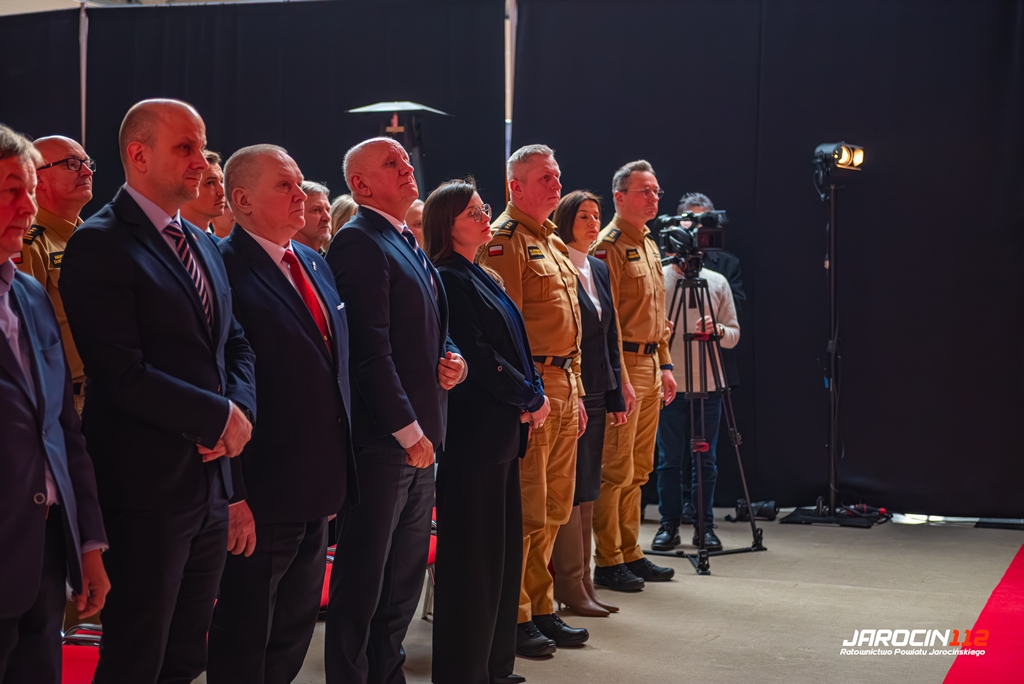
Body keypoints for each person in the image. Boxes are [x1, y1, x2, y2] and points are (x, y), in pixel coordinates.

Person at [59, 99, 257, 684]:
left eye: (202, 146)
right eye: (185, 148)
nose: (202, 161)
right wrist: (215, 417)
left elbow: (235, 344)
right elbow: (121, 372)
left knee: (186, 657)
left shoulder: (200, 242)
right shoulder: (100, 242)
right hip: (145, 490)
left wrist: (238, 411)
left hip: (208, 486)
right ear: (138, 155)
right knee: (136, 657)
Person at [208, 145, 356, 682]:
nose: (300, 195)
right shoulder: (221, 267)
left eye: (300, 183)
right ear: (243, 199)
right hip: (261, 489)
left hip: (318, 485)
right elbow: (221, 385)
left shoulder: (313, 262)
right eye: (284, 186)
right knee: (246, 633)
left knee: (294, 628)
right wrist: (234, 493)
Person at [324, 137, 466, 684]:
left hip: (422, 436)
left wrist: (452, 359)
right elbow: (369, 351)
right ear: (360, 185)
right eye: (392, 163)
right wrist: (408, 432)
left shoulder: (405, 238)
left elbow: (430, 329)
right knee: (365, 579)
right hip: (386, 441)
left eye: (406, 160)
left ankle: (388, 673)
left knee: (402, 580)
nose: (407, 168)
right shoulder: (359, 241)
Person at [423, 178, 547, 684]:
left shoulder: (482, 273)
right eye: (472, 213)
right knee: (472, 564)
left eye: (483, 209)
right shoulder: (449, 276)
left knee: (501, 557)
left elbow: (518, 343)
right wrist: (529, 397)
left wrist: (535, 390)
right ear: (447, 225)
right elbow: (479, 354)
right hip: (474, 436)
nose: (483, 218)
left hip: (501, 435)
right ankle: (464, 672)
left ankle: (495, 667)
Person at [0, 124, 109, 684]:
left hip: (42, 553)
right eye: (10, 193)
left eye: (28, 191)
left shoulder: (27, 293)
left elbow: (61, 428)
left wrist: (86, 544)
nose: (27, 207)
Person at [482, 144, 590, 657]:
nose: (556, 185)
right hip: (536, 388)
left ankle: (542, 606)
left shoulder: (550, 240)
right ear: (515, 186)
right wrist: (527, 395)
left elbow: (574, 329)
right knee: (528, 510)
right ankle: (517, 614)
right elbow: (508, 332)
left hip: (565, 383)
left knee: (555, 507)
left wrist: (579, 391)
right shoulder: (504, 240)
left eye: (557, 176)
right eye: (545, 177)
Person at [590, 160, 677, 592]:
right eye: (645, 191)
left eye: (656, 191)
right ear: (620, 197)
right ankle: (607, 559)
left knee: (640, 469)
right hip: (623, 366)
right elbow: (608, 323)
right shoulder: (607, 246)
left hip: (650, 365)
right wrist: (621, 378)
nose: (653, 198)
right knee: (615, 468)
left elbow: (656, 317)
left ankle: (630, 551)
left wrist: (666, 365)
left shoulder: (649, 244)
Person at [550, 190, 626, 616]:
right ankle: (570, 584)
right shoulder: (558, 262)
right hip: (570, 389)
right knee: (571, 490)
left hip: (598, 389)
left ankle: (586, 581)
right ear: (565, 220)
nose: (594, 223)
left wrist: (617, 391)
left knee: (589, 487)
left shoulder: (598, 266)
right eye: (584, 216)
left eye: (597, 216)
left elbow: (609, 334)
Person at [653, 235, 740, 552]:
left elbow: (734, 334)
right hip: (669, 383)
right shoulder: (658, 278)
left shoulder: (716, 281)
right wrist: (660, 331)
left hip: (709, 384)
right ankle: (669, 524)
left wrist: (717, 330)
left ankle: (705, 527)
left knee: (706, 460)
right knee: (669, 460)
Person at [16, 135, 94, 415]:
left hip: (104, 394)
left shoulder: (92, 237)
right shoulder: (28, 243)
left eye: (87, 163)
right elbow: (24, 339)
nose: (87, 172)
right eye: (72, 164)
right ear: (39, 177)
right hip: (65, 401)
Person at [180, 150, 227, 241]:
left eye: (221, 181)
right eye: (210, 183)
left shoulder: (219, 245)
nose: (222, 192)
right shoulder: (168, 241)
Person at [293, 180, 333, 255]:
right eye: (316, 210)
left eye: (328, 210)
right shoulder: (284, 258)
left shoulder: (329, 258)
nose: (327, 218)